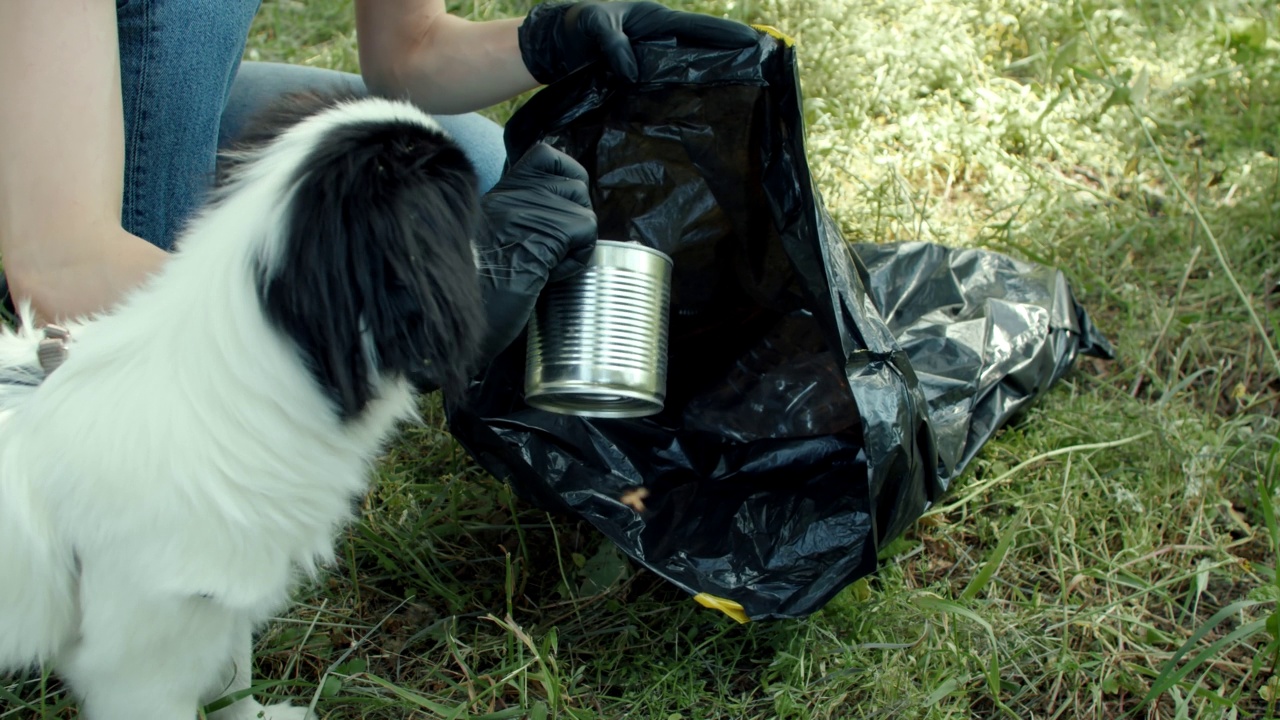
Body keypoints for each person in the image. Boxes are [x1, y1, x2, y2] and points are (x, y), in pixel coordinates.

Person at [0, 0, 757, 363]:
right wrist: (368, 317)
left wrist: (547, 41)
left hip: (89, 102)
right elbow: (60, 257)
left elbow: (412, 53)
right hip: (44, 187)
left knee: (473, 169)